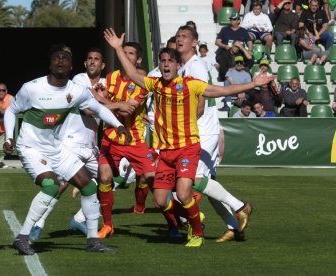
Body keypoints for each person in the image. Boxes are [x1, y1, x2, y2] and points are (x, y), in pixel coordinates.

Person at [104, 28, 272, 247]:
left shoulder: (192, 78)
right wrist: (118, 48)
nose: (165, 64)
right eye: (162, 60)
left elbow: (217, 92)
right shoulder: (155, 84)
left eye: (169, 61)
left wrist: (252, 84)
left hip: (192, 140)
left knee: (188, 190)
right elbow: (134, 75)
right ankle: (230, 221)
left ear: (178, 65)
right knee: (164, 198)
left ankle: (207, 223)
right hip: (167, 150)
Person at [3, 43, 132, 255]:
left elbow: (99, 108)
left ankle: (92, 241)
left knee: (88, 187)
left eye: (65, 58)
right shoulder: (32, 88)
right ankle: (23, 236)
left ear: (72, 66)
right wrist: (9, 137)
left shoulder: (76, 91)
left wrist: (118, 126)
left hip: (56, 148)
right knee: (51, 186)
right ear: (50, 63)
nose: (60, 61)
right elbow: (11, 110)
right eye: (56, 58)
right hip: (32, 148)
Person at [176, 26, 254, 243]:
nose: (180, 39)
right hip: (199, 127)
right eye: (178, 36)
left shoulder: (196, 66)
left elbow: (200, 104)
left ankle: (241, 206)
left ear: (194, 42)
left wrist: (183, 125)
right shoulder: (185, 67)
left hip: (202, 128)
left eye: (185, 37)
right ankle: (233, 227)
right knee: (208, 184)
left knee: (195, 179)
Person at [96, 41, 157, 239]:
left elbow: (128, 108)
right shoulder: (110, 77)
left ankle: (174, 221)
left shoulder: (143, 80)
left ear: (138, 59)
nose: (127, 56)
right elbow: (112, 106)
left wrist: (102, 100)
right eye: (124, 52)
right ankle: (107, 225)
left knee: (154, 182)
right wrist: (105, 100)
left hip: (135, 139)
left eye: (131, 53)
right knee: (104, 178)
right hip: (110, 138)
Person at [215, 12, 253, 81]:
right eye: (231, 19)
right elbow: (217, 42)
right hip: (227, 51)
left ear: (239, 21)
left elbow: (249, 41)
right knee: (223, 57)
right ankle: (223, 74)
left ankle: (243, 71)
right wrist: (224, 46)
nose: (231, 20)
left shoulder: (243, 31)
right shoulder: (224, 29)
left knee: (251, 57)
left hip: (239, 51)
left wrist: (249, 50)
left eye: (234, 19)